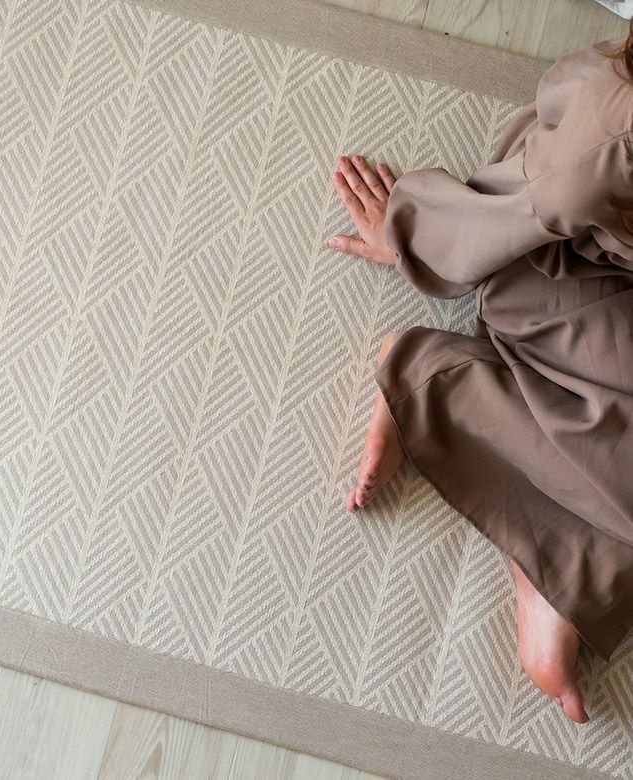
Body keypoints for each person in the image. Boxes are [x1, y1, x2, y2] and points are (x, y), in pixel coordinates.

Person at [329, 21, 633, 726]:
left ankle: (565, 556)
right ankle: (434, 384)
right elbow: (518, 208)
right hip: (551, 270)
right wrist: (410, 232)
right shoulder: (612, 139)